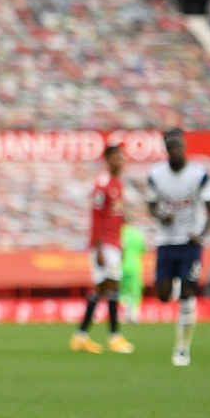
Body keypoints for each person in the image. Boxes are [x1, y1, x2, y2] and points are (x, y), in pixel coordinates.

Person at [146, 128, 210, 367]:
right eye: (172, 147)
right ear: (166, 150)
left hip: (190, 242)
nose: (177, 151)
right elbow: (151, 204)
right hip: (166, 241)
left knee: (188, 294)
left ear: (185, 148)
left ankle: (182, 349)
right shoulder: (156, 174)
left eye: (180, 146)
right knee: (163, 295)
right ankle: (178, 285)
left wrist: (202, 235)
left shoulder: (199, 174)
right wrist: (159, 216)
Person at [71, 144, 135, 354]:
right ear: (107, 160)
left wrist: (122, 243)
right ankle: (114, 337)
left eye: (122, 157)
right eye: (116, 157)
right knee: (112, 287)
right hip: (105, 244)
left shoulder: (118, 183)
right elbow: (96, 217)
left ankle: (81, 336)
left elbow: (118, 216)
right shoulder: (103, 183)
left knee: (102, 288)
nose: (121, 160)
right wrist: (97, 247)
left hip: (114, 243)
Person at [118, 219, 146, 324]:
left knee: (122, 291)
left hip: (120, 266)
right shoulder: (138, 233)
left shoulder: (119, 232)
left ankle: (123, 314)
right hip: (135, 266)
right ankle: (134, 315)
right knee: (135, 292)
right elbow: (144, 249)